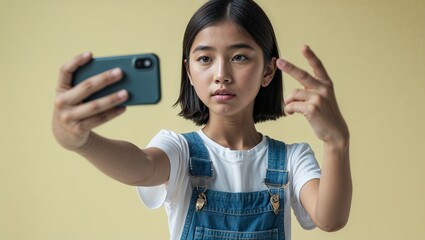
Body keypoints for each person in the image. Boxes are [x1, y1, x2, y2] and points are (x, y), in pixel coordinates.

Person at [52, 0, 352, 239]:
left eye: (240, 57)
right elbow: (142, 167)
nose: (221, 73)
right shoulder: (179, 150)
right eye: (205, 59)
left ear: (268, 72)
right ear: (189, 72)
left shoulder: (292, 159)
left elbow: (330, 219)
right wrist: (84, 142)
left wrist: (336, 142)